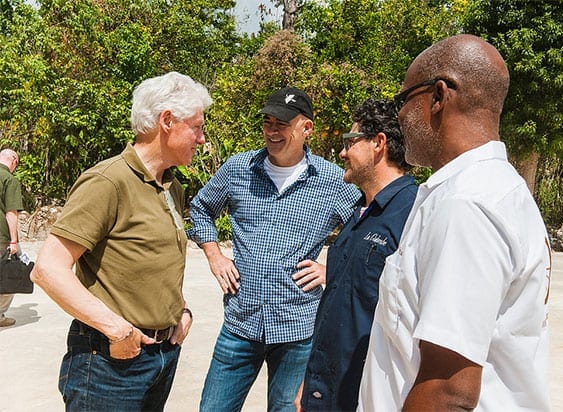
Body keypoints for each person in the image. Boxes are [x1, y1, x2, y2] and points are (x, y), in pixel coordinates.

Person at [358, 34, 551, 411]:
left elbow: (449, 391)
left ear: (438, 97)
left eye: (403, 100)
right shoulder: (494, 189)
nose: (399, 117)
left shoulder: (467, 203)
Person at [30, 71, 212, 411]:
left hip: (160, 356)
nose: (201, 139)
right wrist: (116, 329)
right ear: (167, 121)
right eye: (197, 127)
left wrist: (181, 310)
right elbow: (47, 269)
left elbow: (153, 260)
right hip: (109, 364)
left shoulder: (170, 186)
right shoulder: (108, 181)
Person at [189, 86, 360, 412]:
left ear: (306, 128)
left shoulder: (332, 181)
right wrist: (214, 256)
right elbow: (200, 209)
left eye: (282, 123)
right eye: (267, 122)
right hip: (240, 323)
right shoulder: (238, 169)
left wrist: (331, 270)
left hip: (298, 327)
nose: (272, 131)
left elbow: (365, 230)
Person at [296, 98, 417, 411]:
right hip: (327, 390)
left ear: (378, 144)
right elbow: (338, 308)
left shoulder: (413, 214)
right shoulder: (359, 215)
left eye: (350, 141)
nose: (342, 152)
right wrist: (309, 384)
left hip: (367, 395)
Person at [0, 149, 23, 327]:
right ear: (13, 161)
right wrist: (13, 241)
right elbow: (11, 212)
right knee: (10, 275)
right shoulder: (9, 179)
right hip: (2, 237)